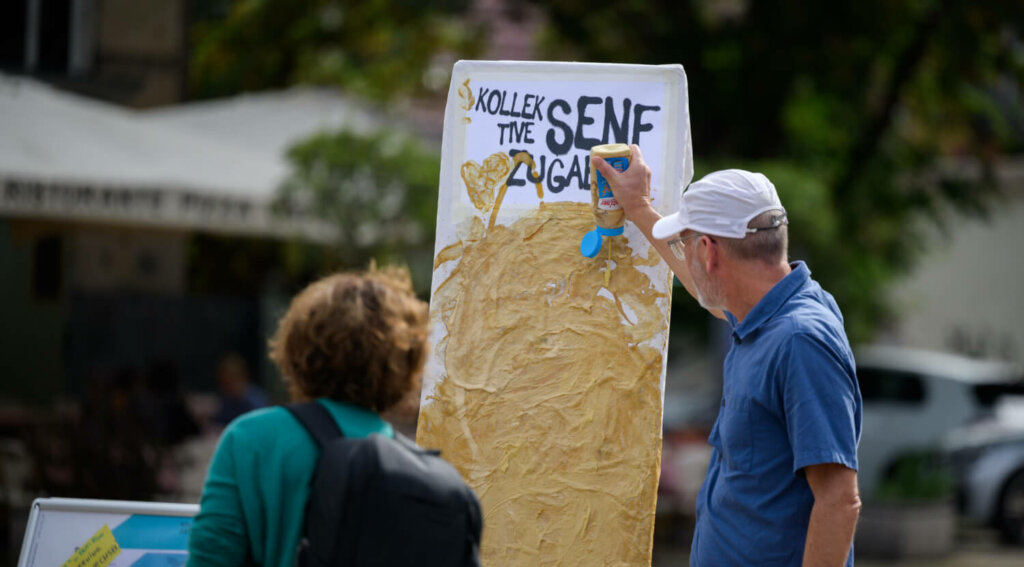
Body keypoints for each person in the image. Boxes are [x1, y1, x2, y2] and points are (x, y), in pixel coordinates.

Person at [594, 147, 862, 566]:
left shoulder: (799, 341)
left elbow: (838, 500)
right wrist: (639, 208)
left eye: (686, 243)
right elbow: (708, 295)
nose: (688, 257)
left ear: (709, 251)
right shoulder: (765, 314)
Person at [188, 266, 432, 567]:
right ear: (405, 364)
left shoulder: (249, 440)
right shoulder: (416, 468)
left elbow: (211, 558)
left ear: (297, 348)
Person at [212, 352, 268, 427]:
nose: (227, 386)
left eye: (231, 380)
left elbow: (260, 426)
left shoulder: (254, 401)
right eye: (224, 382)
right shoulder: (226, 399)